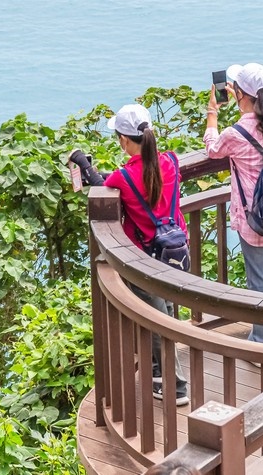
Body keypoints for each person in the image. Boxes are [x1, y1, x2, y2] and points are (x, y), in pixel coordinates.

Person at [94, 103, 190, 406]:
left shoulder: (123, 176)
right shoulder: (171, 162)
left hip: (144, 258)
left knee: (157, 319)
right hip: (176, 250)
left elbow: (103, 185)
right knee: (167, 311)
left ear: (123, 141)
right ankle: (159, 374)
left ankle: (177, 387)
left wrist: (85, 167)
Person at [204, 63, 263, 346]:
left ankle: (262, 343)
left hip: (254, 219)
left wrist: (212, 113)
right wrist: (244, 102)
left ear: (239, 93)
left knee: (260, 284)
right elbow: (260, 124)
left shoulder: (234, 134)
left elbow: (212, 149)